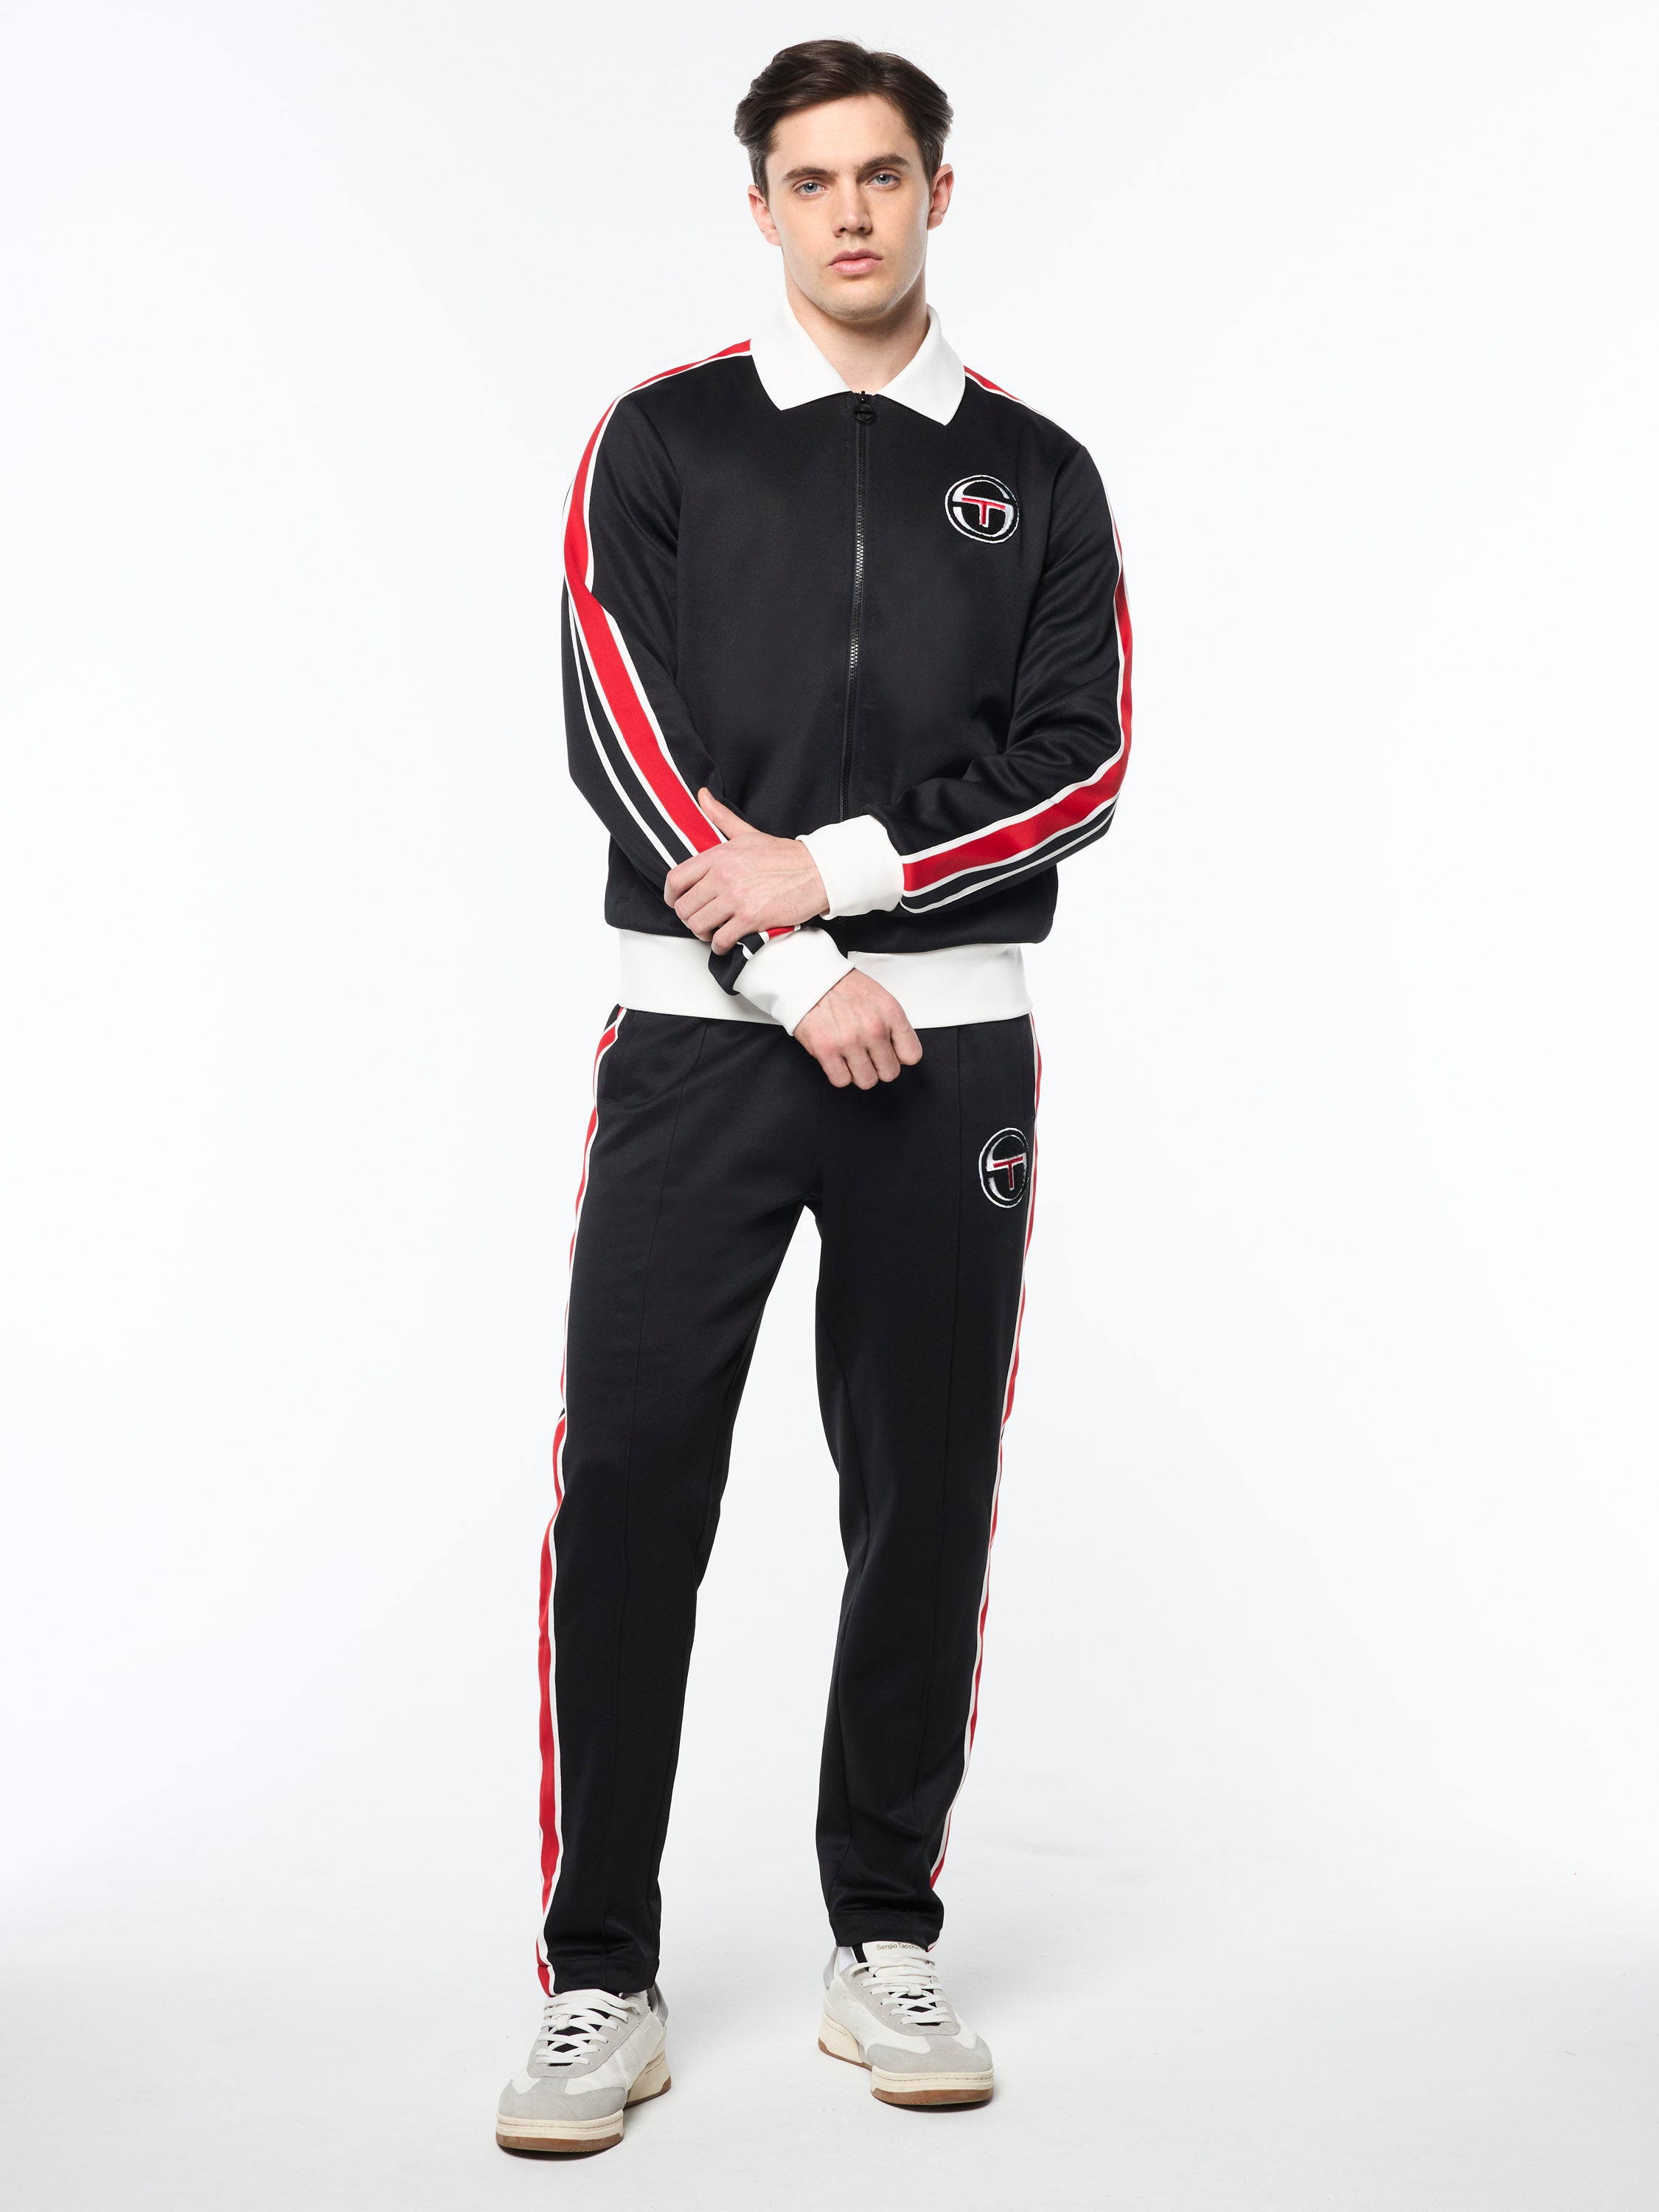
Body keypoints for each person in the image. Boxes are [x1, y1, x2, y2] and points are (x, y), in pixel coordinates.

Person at [495, 37, 1132, 2156]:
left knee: (921, 1491)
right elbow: (618, 725)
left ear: (941, 191)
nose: (848, 211)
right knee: (633, 1487)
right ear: (758, 206)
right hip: (701, 1043)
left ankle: (886, 1936)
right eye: (808, 178)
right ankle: (599, 1976)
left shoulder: (1036, 474)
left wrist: (842, 885)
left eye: (881, 173)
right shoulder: (663, 440)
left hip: (950, 1054)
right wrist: (786, 973)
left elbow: (1079, 766)